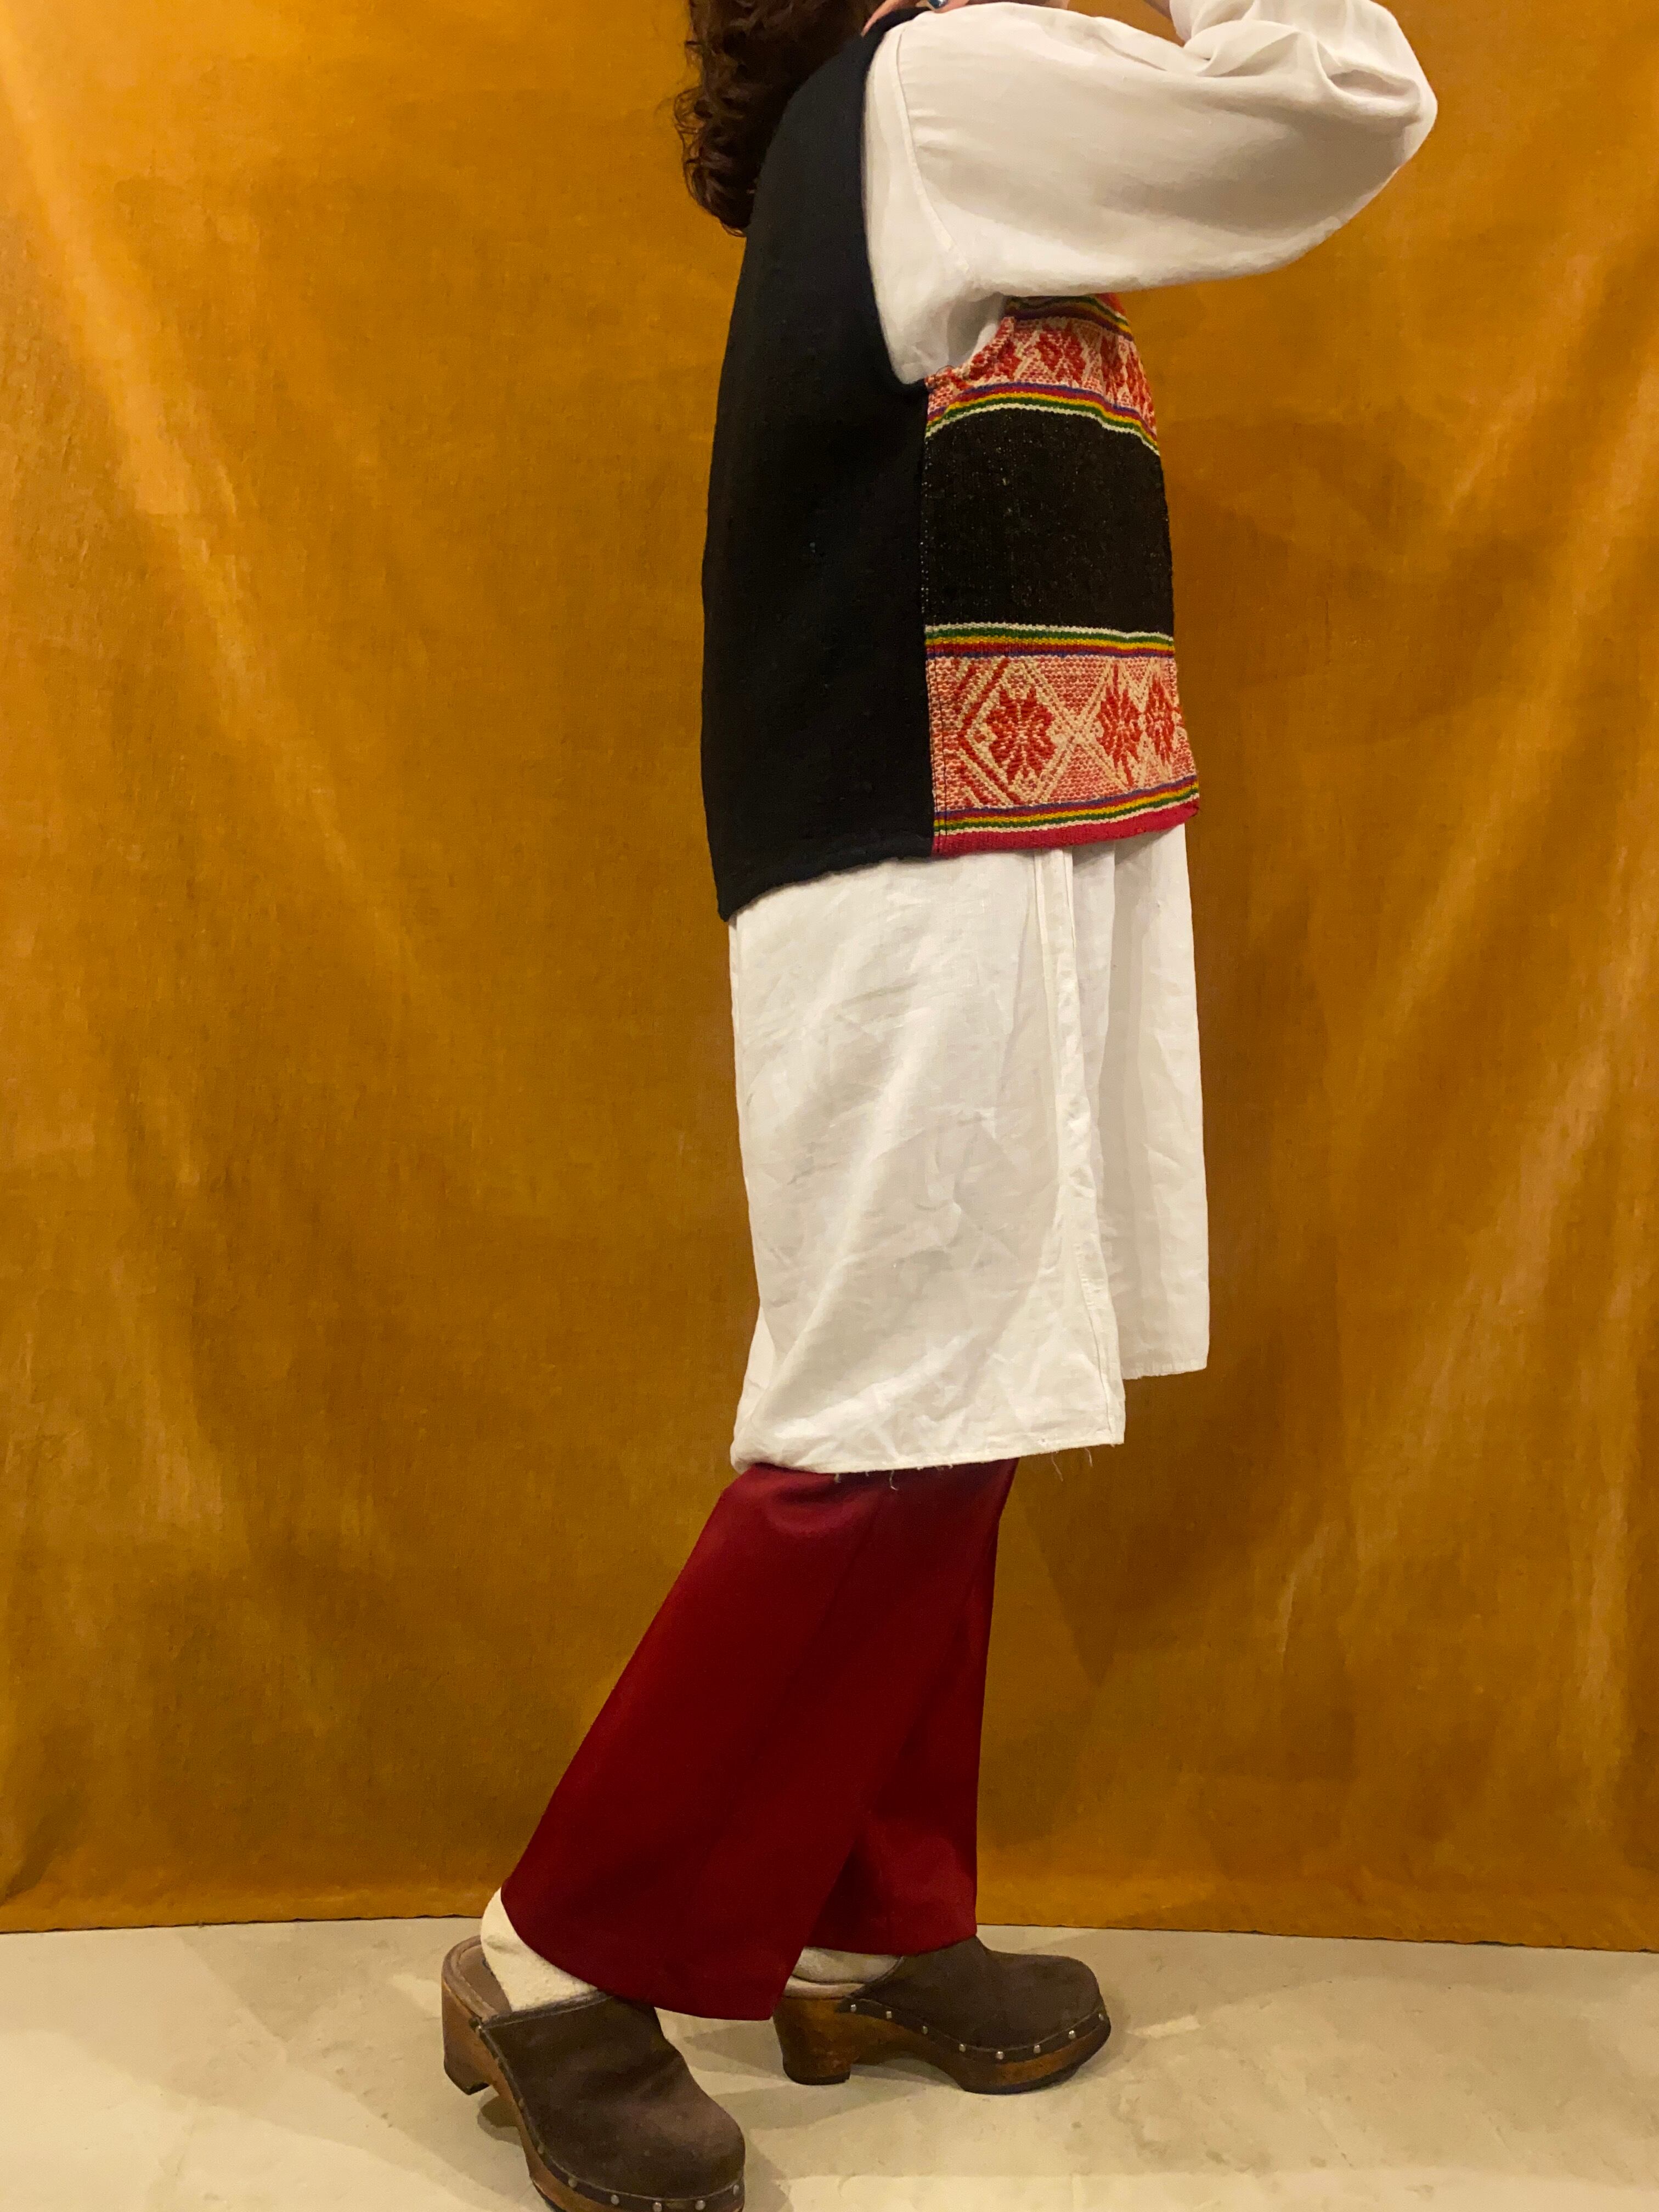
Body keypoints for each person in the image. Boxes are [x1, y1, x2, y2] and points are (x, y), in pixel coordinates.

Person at [441, 2, 1435, 2206]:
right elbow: (1338, 101)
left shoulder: (914, 108)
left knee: (970, 1388)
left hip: (995, 833)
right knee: (888, 1406)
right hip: (915, 849)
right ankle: (557, 1954)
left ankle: (869, 1912)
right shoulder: (935, 82)